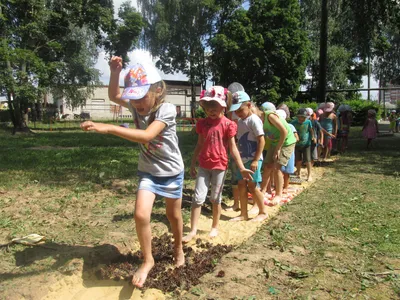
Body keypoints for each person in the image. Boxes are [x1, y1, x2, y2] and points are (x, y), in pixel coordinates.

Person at [81, 56, 185, 288]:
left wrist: (108, 128)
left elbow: (148, 135)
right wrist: (115, 72)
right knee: (140, 214)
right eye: (133, 97)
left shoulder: (166, 110)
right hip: (148, 171)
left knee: (173, 216)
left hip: (171, 172)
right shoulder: (136, 104)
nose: (136, 103)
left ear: (157, 91)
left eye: (141, 96)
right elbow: (113, 96)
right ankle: (148, 260)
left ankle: (178, 248)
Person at [183, 86, 253, 242]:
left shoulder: (228, 124)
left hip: (220, 166)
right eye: (207, 106)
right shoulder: (202, 123)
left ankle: (214, 226)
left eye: (214, 106)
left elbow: (233, 148)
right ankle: (193, 229)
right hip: (204, 165)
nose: (210, 110)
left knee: (215, 198)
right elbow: (199, 144)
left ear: (223, 106)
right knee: (198, 198)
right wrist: (193, 163)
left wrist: (241, 168)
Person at [228, 91, 268, 221]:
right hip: (243, 159)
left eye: (240, 110)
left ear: (249, 105)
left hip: (253, 159)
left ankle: (263, 211)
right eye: (236, 111)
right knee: (241, 185)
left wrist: (256, 160)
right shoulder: (240, 121)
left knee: (252, 186)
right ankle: (243, 214)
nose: (238, 113)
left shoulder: (254, 120)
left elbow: (261, 140)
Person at [260, 102, 297, 205]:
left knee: (277, 167)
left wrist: (278, 149)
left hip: (286, 142)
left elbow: (284, 131)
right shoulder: (259, 120)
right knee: (267, 166)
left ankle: (278, 195)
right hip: (275, 142)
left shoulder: (270, 116)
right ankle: (263, 191)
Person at [276, 109, 299, 195]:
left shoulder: (290, 126)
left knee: (287, 171)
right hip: (278, 150)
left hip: (288, 151)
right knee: (279, 170)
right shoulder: (275, 126)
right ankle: (279, 186)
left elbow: (296, 138)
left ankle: (285, 186)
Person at [291, 108, 315, 181]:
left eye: (304, 117)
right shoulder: (293, 123)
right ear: (298, 117)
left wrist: (313, 137)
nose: (302, 119)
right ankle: (298, 172)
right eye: (300, 117)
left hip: (306, 143)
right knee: (298, 160)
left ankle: (309, 175)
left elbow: (311, 130)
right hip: (297, 144)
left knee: (308, 160)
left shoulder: (308, 122)